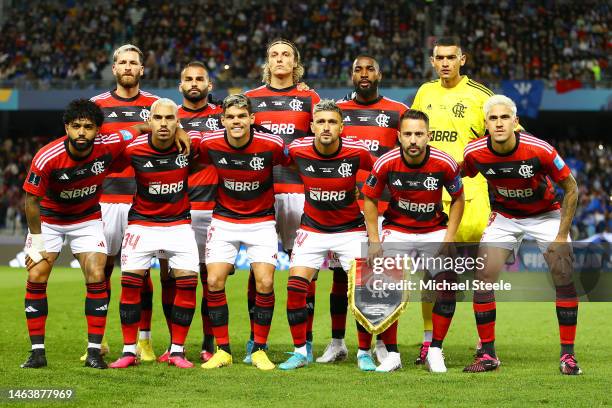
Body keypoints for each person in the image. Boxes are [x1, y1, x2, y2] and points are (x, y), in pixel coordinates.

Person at [462, 95, 581, 375]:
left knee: (563, 277)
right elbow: (458, 174)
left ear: (516, 122)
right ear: (485, 124)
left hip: (546, 215)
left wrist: (561, 235)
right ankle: (488, 354)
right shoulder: (474, 152)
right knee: (482, 279)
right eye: (493, 118)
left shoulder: (540, 150)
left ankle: (568, 355)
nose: (499, 123)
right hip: (505, 217)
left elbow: (572, 187)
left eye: (505, 118)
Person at [20, 99, 142, 369]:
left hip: (86, 219)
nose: (82, 132)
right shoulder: (47, 156)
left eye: (88, 127)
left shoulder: (108, 143)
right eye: (76, 126)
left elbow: (140, 127)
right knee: (36, 274)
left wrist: (178, 131)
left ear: (98, 129)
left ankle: (94, 352)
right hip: (50, 221)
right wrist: (37, 241)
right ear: (67, 128)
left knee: (97, 274)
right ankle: (37, 352)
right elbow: (30, 201)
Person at [318, 54, 409, 364]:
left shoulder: (399, 112)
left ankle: (383, 343)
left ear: (379, 74)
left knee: (380, 277)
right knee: (339, 278)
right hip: (344, 207)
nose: (364, 73)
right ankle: (337, 342)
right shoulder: (338, 112)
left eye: (370, 68)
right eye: (358, 69)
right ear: (351, 75)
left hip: (384, 207)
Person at [410, 36, 494, 364]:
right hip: (431, 198)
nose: (445, 63)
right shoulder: (424, 93)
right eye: (439, 58)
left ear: (463, 59)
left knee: (479, 275)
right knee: (432, 277)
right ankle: (428, 341)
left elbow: (508, 137)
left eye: (451, 57)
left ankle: (482, 342)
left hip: (472, 197)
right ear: (432, 61)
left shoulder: (481, 96)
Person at [362, 109, 465, 373]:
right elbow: (370, 198)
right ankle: (392, 354)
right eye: (408, 134)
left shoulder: (445, 163)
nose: (413, 140)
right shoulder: (386, 162)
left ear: (428, 136)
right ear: (399, 136)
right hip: (397, 229)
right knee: (383, 284)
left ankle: (436, 350)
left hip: (434, 229)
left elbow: (458, 199)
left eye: (419, 134)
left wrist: (449, 238)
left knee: (447, 282)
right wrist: (374, 241)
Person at [278, 99, 374, 371]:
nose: (326, 127)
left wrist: (365, 190)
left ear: (342, 127)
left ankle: (364, 352)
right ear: (311, 126)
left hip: (350, 231)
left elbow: (382, 172)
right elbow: (270, 155)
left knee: (362, 291)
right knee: (296, 287)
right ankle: (299, 351)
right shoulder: (298, 148)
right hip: (312, 229)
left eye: (332, 122)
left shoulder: (357, 151)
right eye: (320, 122)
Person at [198, 94, 290, 371]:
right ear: (222, 120)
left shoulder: (272, 144)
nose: (236, 121)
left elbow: (293, 162)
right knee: (213, 281)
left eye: (242, 116)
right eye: (231, 117)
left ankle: (260, 349)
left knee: (265, 283)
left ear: (252, 119)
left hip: (261, 221)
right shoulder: (209, 143)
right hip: (224, 220)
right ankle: (223, 349)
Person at [243, 39, 321, 363]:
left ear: (295, 62)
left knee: (306, 267)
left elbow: (323, 137)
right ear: (267, 61)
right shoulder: (251, 99)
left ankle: (307, 340)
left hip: (299, 191)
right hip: (259, 192)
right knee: (258, 268)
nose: (279, 59)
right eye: (274, 54)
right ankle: (254, 340)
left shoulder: (309, 98)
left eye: (285, 54)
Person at [109, 98, 200, 369]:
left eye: (170, 119)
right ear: (150, 120)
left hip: (179, 224)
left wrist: (183, 133)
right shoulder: (134, 149)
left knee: (187, 284)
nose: (163, 124)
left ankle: (178, 351)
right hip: (142, 225)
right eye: (158, 118)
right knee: (130, 285)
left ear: (177, 122)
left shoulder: (190, 145)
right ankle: (128, 350)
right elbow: (107, 151)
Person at [90, 44, 160, 362]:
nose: (128, 67)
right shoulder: (96, 105)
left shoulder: (156, 105)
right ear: (114, 68)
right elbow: (88, 146)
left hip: (141, 198)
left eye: (134, 62)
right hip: (103, 197)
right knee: (100, 270)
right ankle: (98, 340)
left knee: (141, 272)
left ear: (141, 69)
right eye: (123, 62)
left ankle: (143, 341)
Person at [156, 61, 222, 364]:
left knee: (210, 279)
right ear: (180, 85)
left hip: (213, 209)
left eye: (200, 79)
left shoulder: (222, 115)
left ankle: (209, 344)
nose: (194, 83)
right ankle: (174, 344)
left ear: (209, 85)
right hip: (174, 209)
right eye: (188, 79)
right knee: (170, 278)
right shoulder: (168, 119)